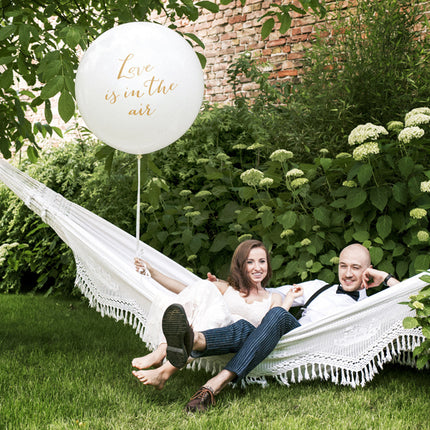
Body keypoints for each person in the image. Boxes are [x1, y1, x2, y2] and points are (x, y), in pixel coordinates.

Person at [161, 243, 399, 412]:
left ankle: (215, 382)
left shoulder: (371, 304)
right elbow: (262, 294)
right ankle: (194, 339)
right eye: (343, 266)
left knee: (272, 316)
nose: (347, 274)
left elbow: (413, 299)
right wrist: (221, 287)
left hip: (314, 346)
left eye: (356, 268)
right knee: (250, 325)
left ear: (367, 269)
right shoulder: (318, 286)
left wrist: (385, 278)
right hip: (288, 337)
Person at [131, 239, 301, 389]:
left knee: (235, 319)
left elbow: (276, 322)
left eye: (262, 261)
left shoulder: (273, 297)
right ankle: (163, 350)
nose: (257, 267)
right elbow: (188, 291)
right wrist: (152, 273)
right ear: (241, 266)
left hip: (244, 339)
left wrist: (290, 298)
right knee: (204, 287)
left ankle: (164, 368)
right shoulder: (227, 288)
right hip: (214, 336)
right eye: (250, 262)